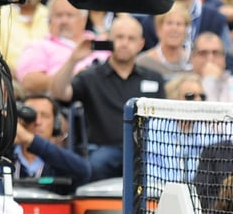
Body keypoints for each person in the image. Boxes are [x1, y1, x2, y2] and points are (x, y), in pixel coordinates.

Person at [49, 15, 161, 181]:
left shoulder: (154, 78)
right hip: (103, 149)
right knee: (97, 163)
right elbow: (59, 92)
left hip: (146, 150)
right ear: (108, 40)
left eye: (131, 38)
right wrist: (73, 60)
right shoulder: (90, 76)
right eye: (119, 37)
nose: (124, 43)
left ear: (141, 44)